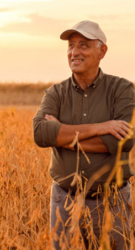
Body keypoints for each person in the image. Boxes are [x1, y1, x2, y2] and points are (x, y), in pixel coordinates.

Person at [33, 20, 135, 249]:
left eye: (83, 45)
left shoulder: (122, 90)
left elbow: (123, 142)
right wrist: (100, 127)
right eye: (70, 46)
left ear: (102, 51)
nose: (74, 52)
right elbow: (40, 133)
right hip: (64, 202)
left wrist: (63, 138)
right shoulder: (55, 93)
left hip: (112, 203)